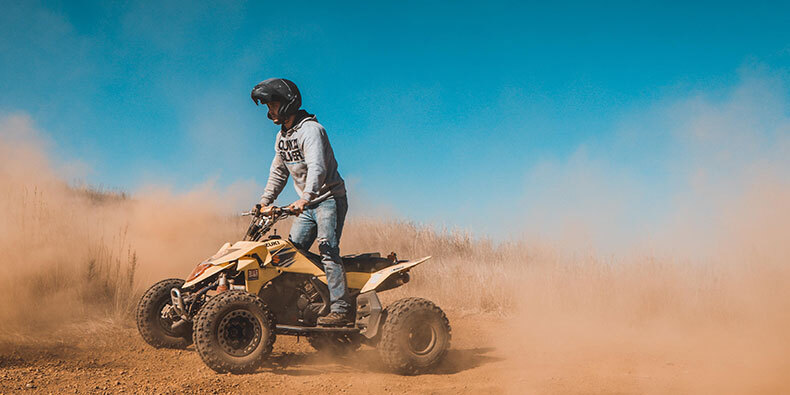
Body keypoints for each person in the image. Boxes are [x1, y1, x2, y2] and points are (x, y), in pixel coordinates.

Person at [250, 78, 352, 326]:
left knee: (327, 251)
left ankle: (341, 308)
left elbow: (318, 168)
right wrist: (264, 202)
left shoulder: (312, 131)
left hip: (328, 200)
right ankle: (300, 306)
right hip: (308, 205)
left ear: (286, 103)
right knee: (291, 254)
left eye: (271, 105)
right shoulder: (282, 137)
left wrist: (305, 197)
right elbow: (279, 171)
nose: (269, 111)